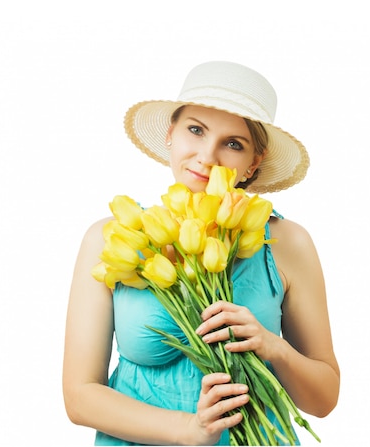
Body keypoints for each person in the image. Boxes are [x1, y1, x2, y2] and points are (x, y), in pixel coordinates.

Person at [63, 61, 340, 446]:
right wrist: (189, 430)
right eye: (195, 130)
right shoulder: (114, 239)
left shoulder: (287, 243)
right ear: (170, 133)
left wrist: (272, 346)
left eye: (233, 144)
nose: (207, 158)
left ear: (252, 164)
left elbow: (323, 400)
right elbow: (79, 397)